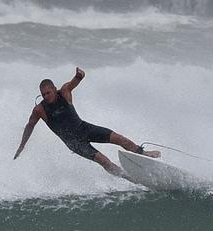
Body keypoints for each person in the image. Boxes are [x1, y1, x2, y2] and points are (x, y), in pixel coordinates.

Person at [13, 67, 159, 176]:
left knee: (120, 139)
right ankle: (128, 177)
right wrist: (22, 146)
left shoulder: (64, 92)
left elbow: (73, 82)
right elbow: (30, 126)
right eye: (43, 94)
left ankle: (144, 154)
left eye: (48, 93)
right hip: (74, 143)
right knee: (104, 161)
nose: (46, 96)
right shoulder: (40, 110)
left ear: (54, 89)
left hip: (84, 128)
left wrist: (79, 76)